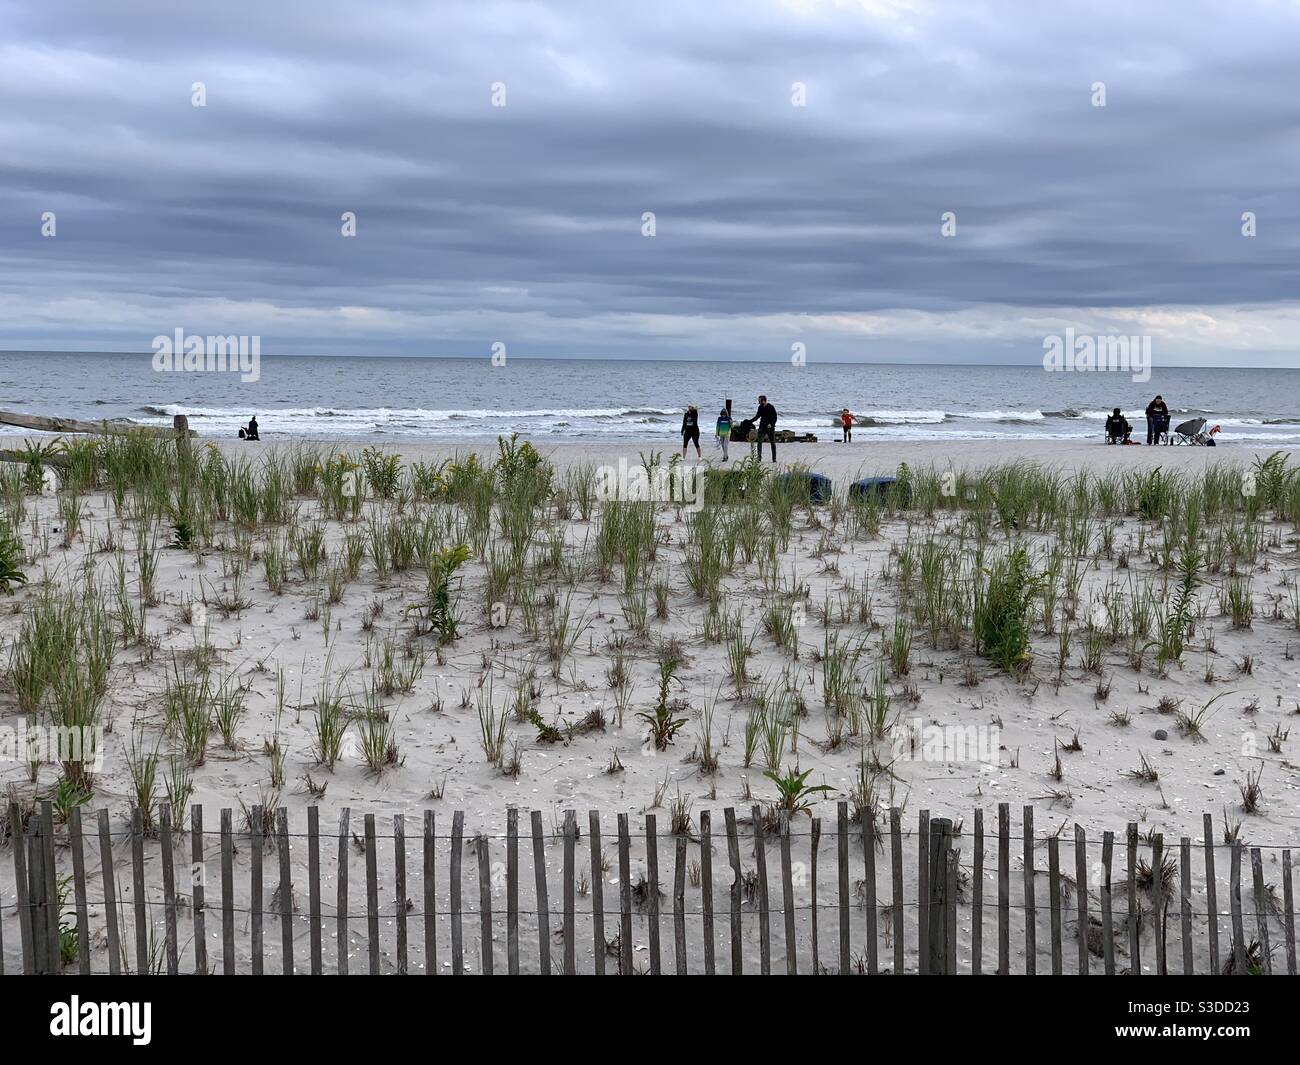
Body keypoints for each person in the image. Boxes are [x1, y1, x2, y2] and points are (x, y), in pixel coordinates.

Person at [751, 394, 778, 462]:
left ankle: (774, 459)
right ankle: (759, 458)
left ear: (764, 401)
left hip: (770, 428)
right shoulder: (760, 407)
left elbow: (775, 417)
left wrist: (771, 424)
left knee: (772, 443)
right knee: (759, 442)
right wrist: (750, 421)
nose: (758, 402)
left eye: (759, 401)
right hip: (762, 427)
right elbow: (757, 416)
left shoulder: (771, 407)